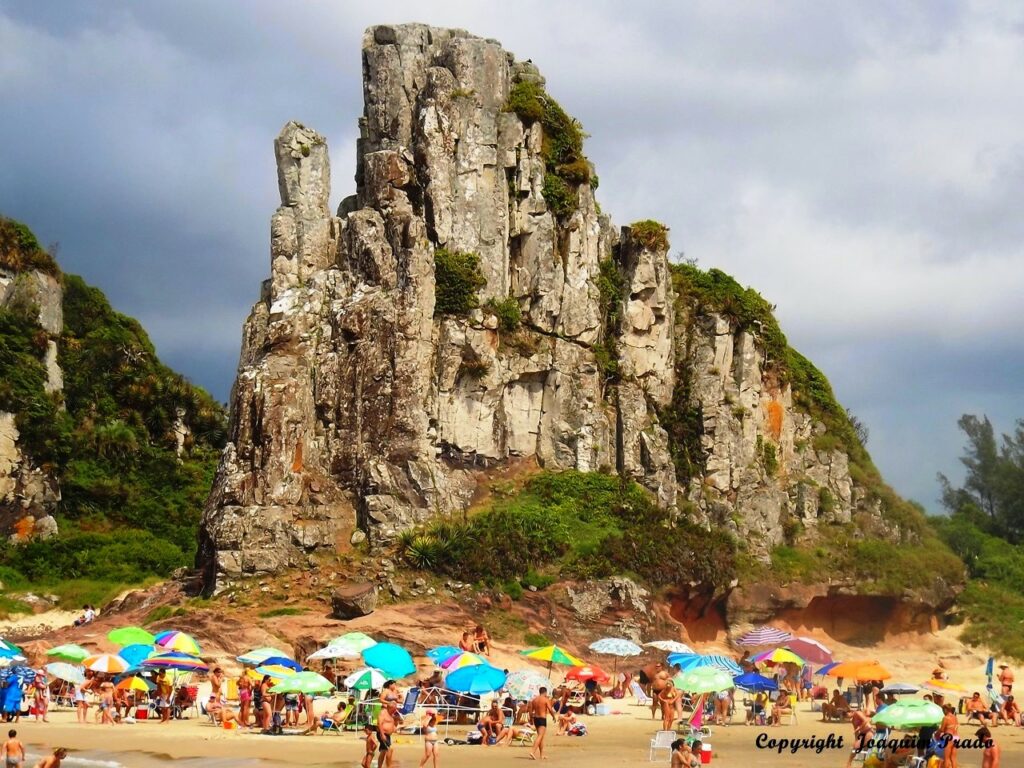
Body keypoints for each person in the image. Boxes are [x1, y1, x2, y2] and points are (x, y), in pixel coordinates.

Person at [528, 686, 556, 760]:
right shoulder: (545, 699)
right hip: (542, 719)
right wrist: (554, 717)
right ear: (545, 692)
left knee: (541, 737)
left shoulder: (534, 700)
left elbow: (531, 711)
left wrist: (531, 719)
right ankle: (532, 751)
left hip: (536, 719)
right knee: (540, 736)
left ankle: (541, 755)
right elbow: (550, 709)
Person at [377, 699, 398, 768]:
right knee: (390, 749)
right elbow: (379, 723)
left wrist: (397, 720)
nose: (395, 710)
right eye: (394, 709)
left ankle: (379, 767)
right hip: (382, 733)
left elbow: (394, 725)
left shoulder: (391, 714)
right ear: (390, 708)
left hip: (388, 735)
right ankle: (389, 766)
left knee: (383, 751)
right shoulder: (383, 712)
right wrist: (382, 734)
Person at [939, 703, 958, 768]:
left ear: (946, 710)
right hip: (956, 737)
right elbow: (956, 727)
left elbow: (942, 729)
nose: (943, 712)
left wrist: (937, 732)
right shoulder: (955, 717)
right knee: (953, 758)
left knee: (946, 758)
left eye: (943, 710)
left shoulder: (945, 718)